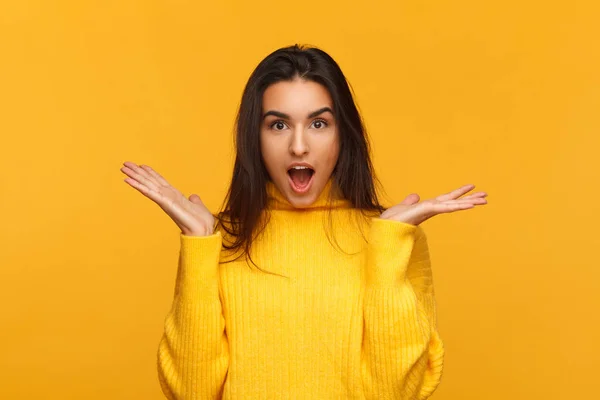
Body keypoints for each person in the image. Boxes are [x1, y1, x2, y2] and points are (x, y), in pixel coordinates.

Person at [120, 44, 487, 399]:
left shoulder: (392, 238)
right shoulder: (219, 240)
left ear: (343, 134)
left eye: (318, 123)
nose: (298, 146)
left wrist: (388, 245)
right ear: (256, 138)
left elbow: (395, 394)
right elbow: (191, 393)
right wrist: (199, 244)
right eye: (278, 125)